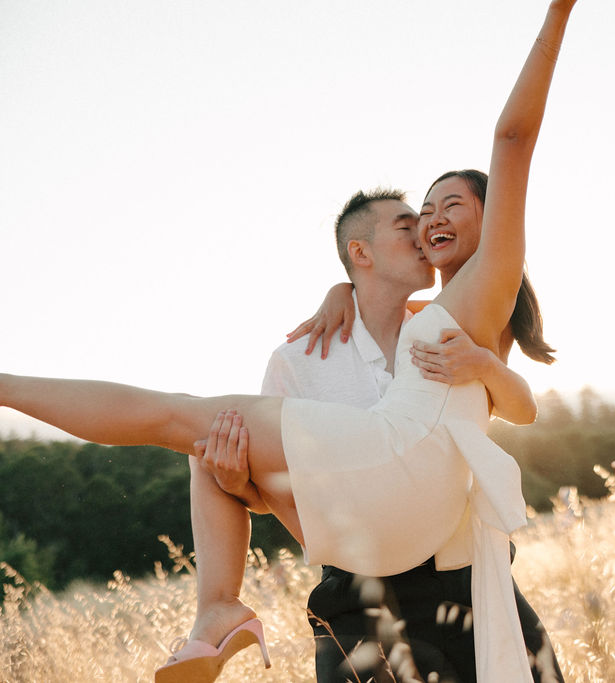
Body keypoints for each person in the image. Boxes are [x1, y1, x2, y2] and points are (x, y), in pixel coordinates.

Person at [0, 1, 577, 681]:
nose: (431, 220)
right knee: (205, 441)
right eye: (423, 212)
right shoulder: (426, 310)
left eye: (453, 205)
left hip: (405, 478)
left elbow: (513, 138)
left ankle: (216, 604)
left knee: (179, 416)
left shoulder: (489, 289)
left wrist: (559, 11)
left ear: (493, 220)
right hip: (382, 527)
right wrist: (344, 294)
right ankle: (217, 607)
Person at [197, 185, 562, 681]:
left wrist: (480, 363)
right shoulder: (297, 363)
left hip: (466, 579)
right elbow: (281, 490)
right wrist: (238, 485)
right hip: (357, 598)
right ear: (360, 252)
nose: (421, 235)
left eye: (424, 224)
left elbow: (522, 406)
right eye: (406, 226)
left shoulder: (444, 330)